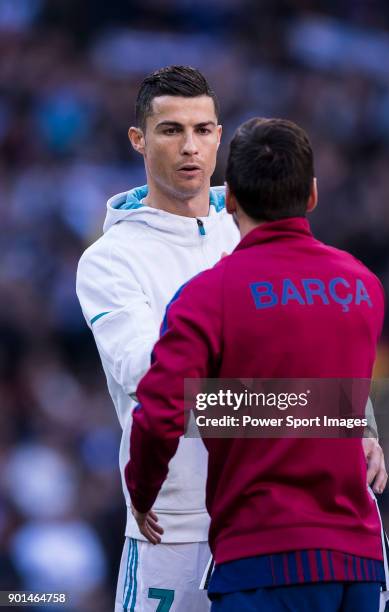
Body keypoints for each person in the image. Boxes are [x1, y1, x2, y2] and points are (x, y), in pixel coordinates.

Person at [125, 117, 389, 611]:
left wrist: (141, 493)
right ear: (312, 195)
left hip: (262, 560)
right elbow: (333, 396)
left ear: (228, 200)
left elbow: (161, 409)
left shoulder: (207, 297)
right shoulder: (364, 286)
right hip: (358, 564)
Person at [76, 66, 239, 611]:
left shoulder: (251, 223)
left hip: (265, 514)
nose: (190, 146)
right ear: (138, 140)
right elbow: (153, 376)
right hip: (171, 527)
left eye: (202, 129)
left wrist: (358, 420)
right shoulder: (109, 259)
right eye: (171, 130)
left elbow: (321, 338)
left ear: (219, 136)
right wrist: (298, 407)